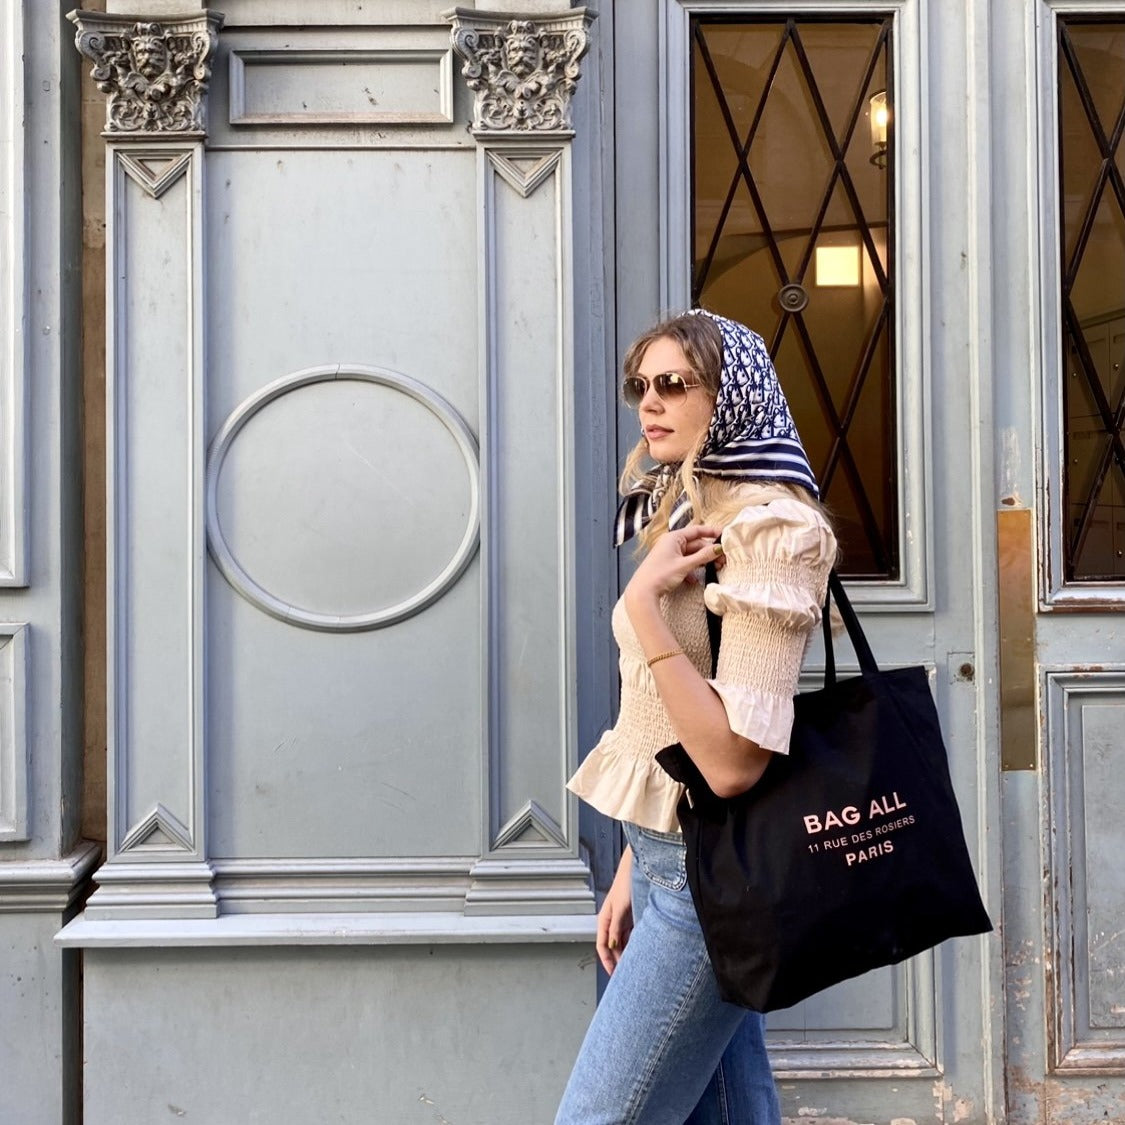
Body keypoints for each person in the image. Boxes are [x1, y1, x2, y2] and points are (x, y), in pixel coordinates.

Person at [556, 308, 838, 1125]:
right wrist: (630, 868)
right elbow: (661, 715)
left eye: (674, 383)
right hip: (669, 859)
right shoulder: (686, 508)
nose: (649, 402)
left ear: (734, 395)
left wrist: (643, 606)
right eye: (639, 385)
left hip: (707, 882)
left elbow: (731, 763)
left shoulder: (770, 531)